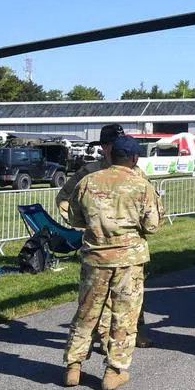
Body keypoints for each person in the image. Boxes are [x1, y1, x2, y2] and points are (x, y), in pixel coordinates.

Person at [61, 135, 162, 390]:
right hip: (128, 260)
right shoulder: (141, 185)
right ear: (134, 158)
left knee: (86, 312)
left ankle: (73, 366)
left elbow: (74, 218)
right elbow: (152, 225)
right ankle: (114, 371)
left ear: (110, 155)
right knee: (124, 316)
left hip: (95, 258)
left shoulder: (87, 181)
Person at [56, 123, 153, 349]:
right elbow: (64, 200)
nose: (116, 148)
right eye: (111, 145)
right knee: (96, 297)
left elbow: (148, 206)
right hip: (99, 247)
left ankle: (134, 331)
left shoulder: (136, 172)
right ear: (104, 148)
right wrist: (84, 226)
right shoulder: (89, 173)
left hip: (129, 246)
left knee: (132, 293)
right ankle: (101, 336)